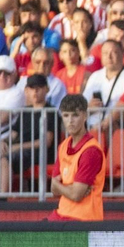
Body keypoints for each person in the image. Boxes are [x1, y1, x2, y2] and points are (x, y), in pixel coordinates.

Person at [49, 92, 105, 221]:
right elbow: (53, 189)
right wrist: (69, 188)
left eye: (75, 115)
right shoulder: (63, 146)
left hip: (83, 219)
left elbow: (76, 195)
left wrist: (61, 186)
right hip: (61, 213)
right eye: (66, 115)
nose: (70, 121)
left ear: (85, 116)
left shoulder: (91, 151)